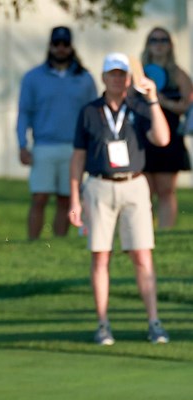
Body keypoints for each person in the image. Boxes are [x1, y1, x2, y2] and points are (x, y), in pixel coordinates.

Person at [68, 53, 171, 345]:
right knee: (101, 256)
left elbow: (162, 139)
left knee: (142, 255)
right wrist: (75, 198)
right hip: (99, 186)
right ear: (103, 78)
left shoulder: (139, 107)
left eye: (122, 74)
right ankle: (102, 323)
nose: (117, 79)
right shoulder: (89, 111)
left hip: (134, 184)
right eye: (112, 74)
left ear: (128, 78)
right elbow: (78, 157)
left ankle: (154, 321)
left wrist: (152, 99)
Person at [17, 26, 98, 240]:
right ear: (50, 46)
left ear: (71, 47)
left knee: (66, 198)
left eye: (65, 44)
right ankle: (32, 242)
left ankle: (59, 242)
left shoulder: (85, 79)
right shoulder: (33, 77)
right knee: (39, 196)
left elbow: (94, 115)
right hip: (43, 145)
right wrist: (22, 144)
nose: (60, 49)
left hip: (75, 148)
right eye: (56, 44)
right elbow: (24, 112)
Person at [140, 27, 192, 229]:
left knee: (166, 189)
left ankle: (165, 231)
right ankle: (145, 231)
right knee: (145, 190)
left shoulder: (178, 74)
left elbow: (187, 105)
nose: (159, 44)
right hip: (143, 135)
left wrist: (162, 102)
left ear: (170, 44)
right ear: (148, 44)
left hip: (169, 136)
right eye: (154, 40)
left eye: (163, 39)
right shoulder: (140, 73)